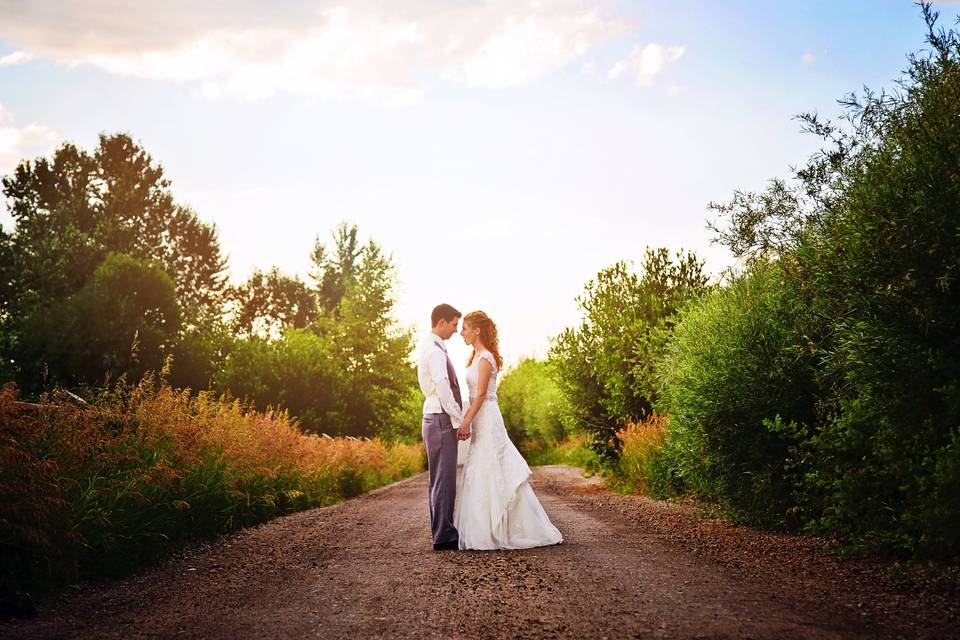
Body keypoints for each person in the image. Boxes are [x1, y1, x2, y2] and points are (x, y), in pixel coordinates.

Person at [453, 310, 563, 550]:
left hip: (487, 417)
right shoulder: (475, 357)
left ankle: (505, 528)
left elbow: (481, 395)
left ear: (477, 330)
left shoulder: (485, 359)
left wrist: (466, 421)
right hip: (480, 417)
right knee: (481, 465)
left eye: (465, 328)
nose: (461, 333)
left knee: (493, 464)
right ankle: (485, 528)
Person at [416, 303, 464, 551]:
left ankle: (441, 532)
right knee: (444, 479)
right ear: (442, 322)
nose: (456, 330)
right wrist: (458, 419)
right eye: (455, 324)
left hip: (434, 417)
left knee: (439, 479)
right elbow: (443, 389)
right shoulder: (435, 352)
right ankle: (444, 535)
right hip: (440, 418)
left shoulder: (431, 347)